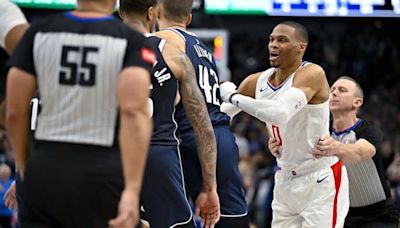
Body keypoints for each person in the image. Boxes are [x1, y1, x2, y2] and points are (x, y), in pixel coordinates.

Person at [6, 0, 154, 226]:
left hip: (46, 167)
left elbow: (15, 112)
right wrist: (133, 189)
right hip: (101, 172)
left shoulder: (36, 33)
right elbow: (133, 112)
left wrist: (26, 169)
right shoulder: (132, 41)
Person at [220, 21, 349, 227]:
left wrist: (233, 96)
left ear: (301, 47)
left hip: (320, 179)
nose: (273, 45)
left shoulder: (313, 74)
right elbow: (221, 116)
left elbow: (280, 113)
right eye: (271, 39)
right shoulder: (256, 81)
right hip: (285, 177)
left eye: (282, 40)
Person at [118, 0, 220, 227]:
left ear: (120, 11)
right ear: (152, 12)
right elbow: (203, 127)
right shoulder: (172, 54)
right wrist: (209, 187)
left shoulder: (104, 48)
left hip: (112, 154)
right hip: (158, 155)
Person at [155, 0, 249, 226]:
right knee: (230, 218)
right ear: (188, 19)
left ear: (156, 12)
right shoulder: (204, 48)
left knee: (170, 219)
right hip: (223, 137)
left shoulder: (162, 42)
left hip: (187, 136)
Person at [310, 76, 399, 228]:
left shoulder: (369, 131)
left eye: (342, 90)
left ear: (357, 102)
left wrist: (335, 148)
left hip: (378, 216)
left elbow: (359, 153)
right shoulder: (320, 131)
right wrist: (279, 148)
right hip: (342, 213)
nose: (334, 93)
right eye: (332, 90)